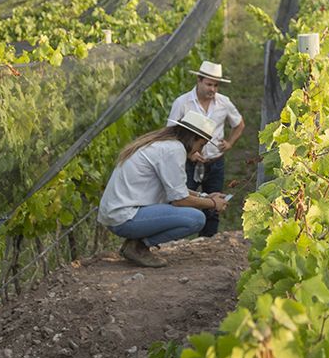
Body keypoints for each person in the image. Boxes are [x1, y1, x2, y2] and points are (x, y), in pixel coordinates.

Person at [99, 111, 229, 268]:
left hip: (120, 214)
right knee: (195, 218)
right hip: (125, 217)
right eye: (201, 145)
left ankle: (135, 245)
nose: (199, 151)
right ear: (193, 138)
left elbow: (177, 189)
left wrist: (205, 196)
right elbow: (179, 200)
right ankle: (138, 247)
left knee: (194, 213)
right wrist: (213, 204)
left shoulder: (165, 145)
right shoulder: (173, 150)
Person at [167, 60, 245, 236]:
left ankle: (207, 243)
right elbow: (170, 132)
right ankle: (178, 243)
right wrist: (189, 154)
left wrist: (230, 143)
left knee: (214, 204)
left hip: (215, 162)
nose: (213, 89)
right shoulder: (182, 103)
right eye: (209, 84)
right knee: (181, 201)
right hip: (189, 163)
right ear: (199, 81)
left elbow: (239, 124)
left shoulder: (224, 103)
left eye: (216, 85)